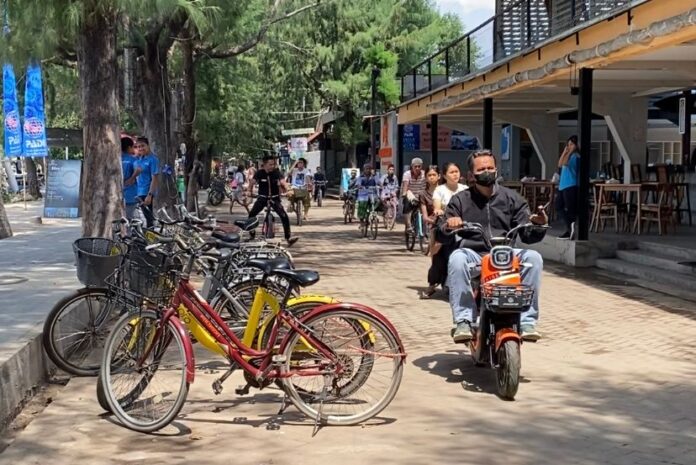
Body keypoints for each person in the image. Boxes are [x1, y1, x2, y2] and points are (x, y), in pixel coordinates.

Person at [442, 150, 548, 343]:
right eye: (481, 169)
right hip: (475, 255)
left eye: (490, 168)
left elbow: (527, 232)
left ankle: (527, 321)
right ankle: (464, 320)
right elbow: (443, 227)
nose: (487, 172)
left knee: (534, 258)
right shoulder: (460, 200)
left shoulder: (512, 198)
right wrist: (450, 223)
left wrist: (538, 223)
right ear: (472, 174)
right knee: (457, 258)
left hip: (507, 256)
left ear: (496, 169)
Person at [422, 162, 468, 298]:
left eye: (457, 171)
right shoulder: (440, 190)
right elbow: (437, 207)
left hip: (464, 227)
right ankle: (431, 285)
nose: (455, 175)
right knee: (437, 255)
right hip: (444, 227)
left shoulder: (465, 189)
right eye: (452, 172)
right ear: (445, 176)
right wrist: (438, 210)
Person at [247, 155, 298, 246]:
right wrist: (248, 191)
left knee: (284, 216)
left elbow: (283, 182)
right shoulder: (259, 173)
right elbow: (252, 183)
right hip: (262, 198)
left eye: (273, 164)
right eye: (270, 164)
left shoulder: (277, 173)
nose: (272, 166)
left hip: (275, 198)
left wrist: (288, 190)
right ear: (265, 164)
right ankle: (252, 233)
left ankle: (288, 238)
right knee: (251, 214)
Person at [556, 135, 580, 239]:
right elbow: (560, 164)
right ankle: (570, 226)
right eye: (568, 144)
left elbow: (565, 164)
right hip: (563, 185)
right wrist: (565, 151)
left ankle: (570, 228)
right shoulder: (568, 155)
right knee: (558, 206)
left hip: (571, 184)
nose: (569, 146)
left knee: (570, 209)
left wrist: (569, 152)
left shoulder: (576, 156)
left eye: (571, 144)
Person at [134, 137, 159, 227]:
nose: (140, 148)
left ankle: (151, 239)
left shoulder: (153, 160)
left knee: (148, 219)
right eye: (138, 146)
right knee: (139, 219)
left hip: (147, 192)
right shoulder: (138, 160)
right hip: (137, 192)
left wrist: (150, 195)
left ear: (148, 146)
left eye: (142, 146)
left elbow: (155, 178)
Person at [401, 158, 426, 233]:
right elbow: (405, 185)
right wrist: (404, 193)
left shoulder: (424, 174)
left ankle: (426, 229)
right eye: (415, 166)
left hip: (421, 194)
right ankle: (408, 225)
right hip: (410, 194)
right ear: (412, 166)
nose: (417, 168)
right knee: (407, 206)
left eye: (419, 166)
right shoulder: (407, 174)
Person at [121, 137, 141, 219]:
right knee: (132, 220)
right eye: (134, 147)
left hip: (119, 194)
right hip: (131, 195)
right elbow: (139, 169)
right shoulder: (133, 159)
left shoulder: (117, 159)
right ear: (129, 147)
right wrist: (132, 178)